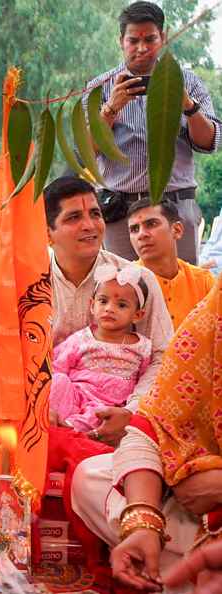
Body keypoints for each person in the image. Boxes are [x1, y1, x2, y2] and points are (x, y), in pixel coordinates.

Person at [70, 274, 222, 591]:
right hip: (193, 499)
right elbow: (150, 425)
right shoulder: (215, 314)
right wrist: (143, 518)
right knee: (91, 476)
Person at [44, 175, 172, 446]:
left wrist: (131, 412)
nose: (89, 225)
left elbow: (162, 357)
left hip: (120, 415)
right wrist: (41, 407)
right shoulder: (27, 281)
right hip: (44, 415)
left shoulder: (135, 280)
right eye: (73, 217)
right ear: (47, 232)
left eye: (95, 214)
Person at [89, 1, 220, 264]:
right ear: (121, 41)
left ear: (163, 37)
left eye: (150, 39)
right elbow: (86, 150)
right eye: (133, 40)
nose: (141, 48)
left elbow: (211, 141)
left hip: (176, 208)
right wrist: (111, 109)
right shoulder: (99, 88)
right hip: (121, 211)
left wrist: (188, 106)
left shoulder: (189, 82)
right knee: (123, 292)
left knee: (181, 290)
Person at [49, 265, 151, 433]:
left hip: (109, 403)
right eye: (103, 301)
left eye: (122, 305)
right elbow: (57, 365)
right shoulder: (82, 338)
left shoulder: (143, 347)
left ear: (137, 315)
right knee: (58, 380)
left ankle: (71, 428)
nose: (109, 308)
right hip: (76, 394)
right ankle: (55, 421)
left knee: (98, 414)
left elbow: (146, 380)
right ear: (92, 305)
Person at [128, 198, 214, 329]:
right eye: (134, 229)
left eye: (151, 224)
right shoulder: (125, 283)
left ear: (177, 230)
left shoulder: (203, 282)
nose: (141, 234)